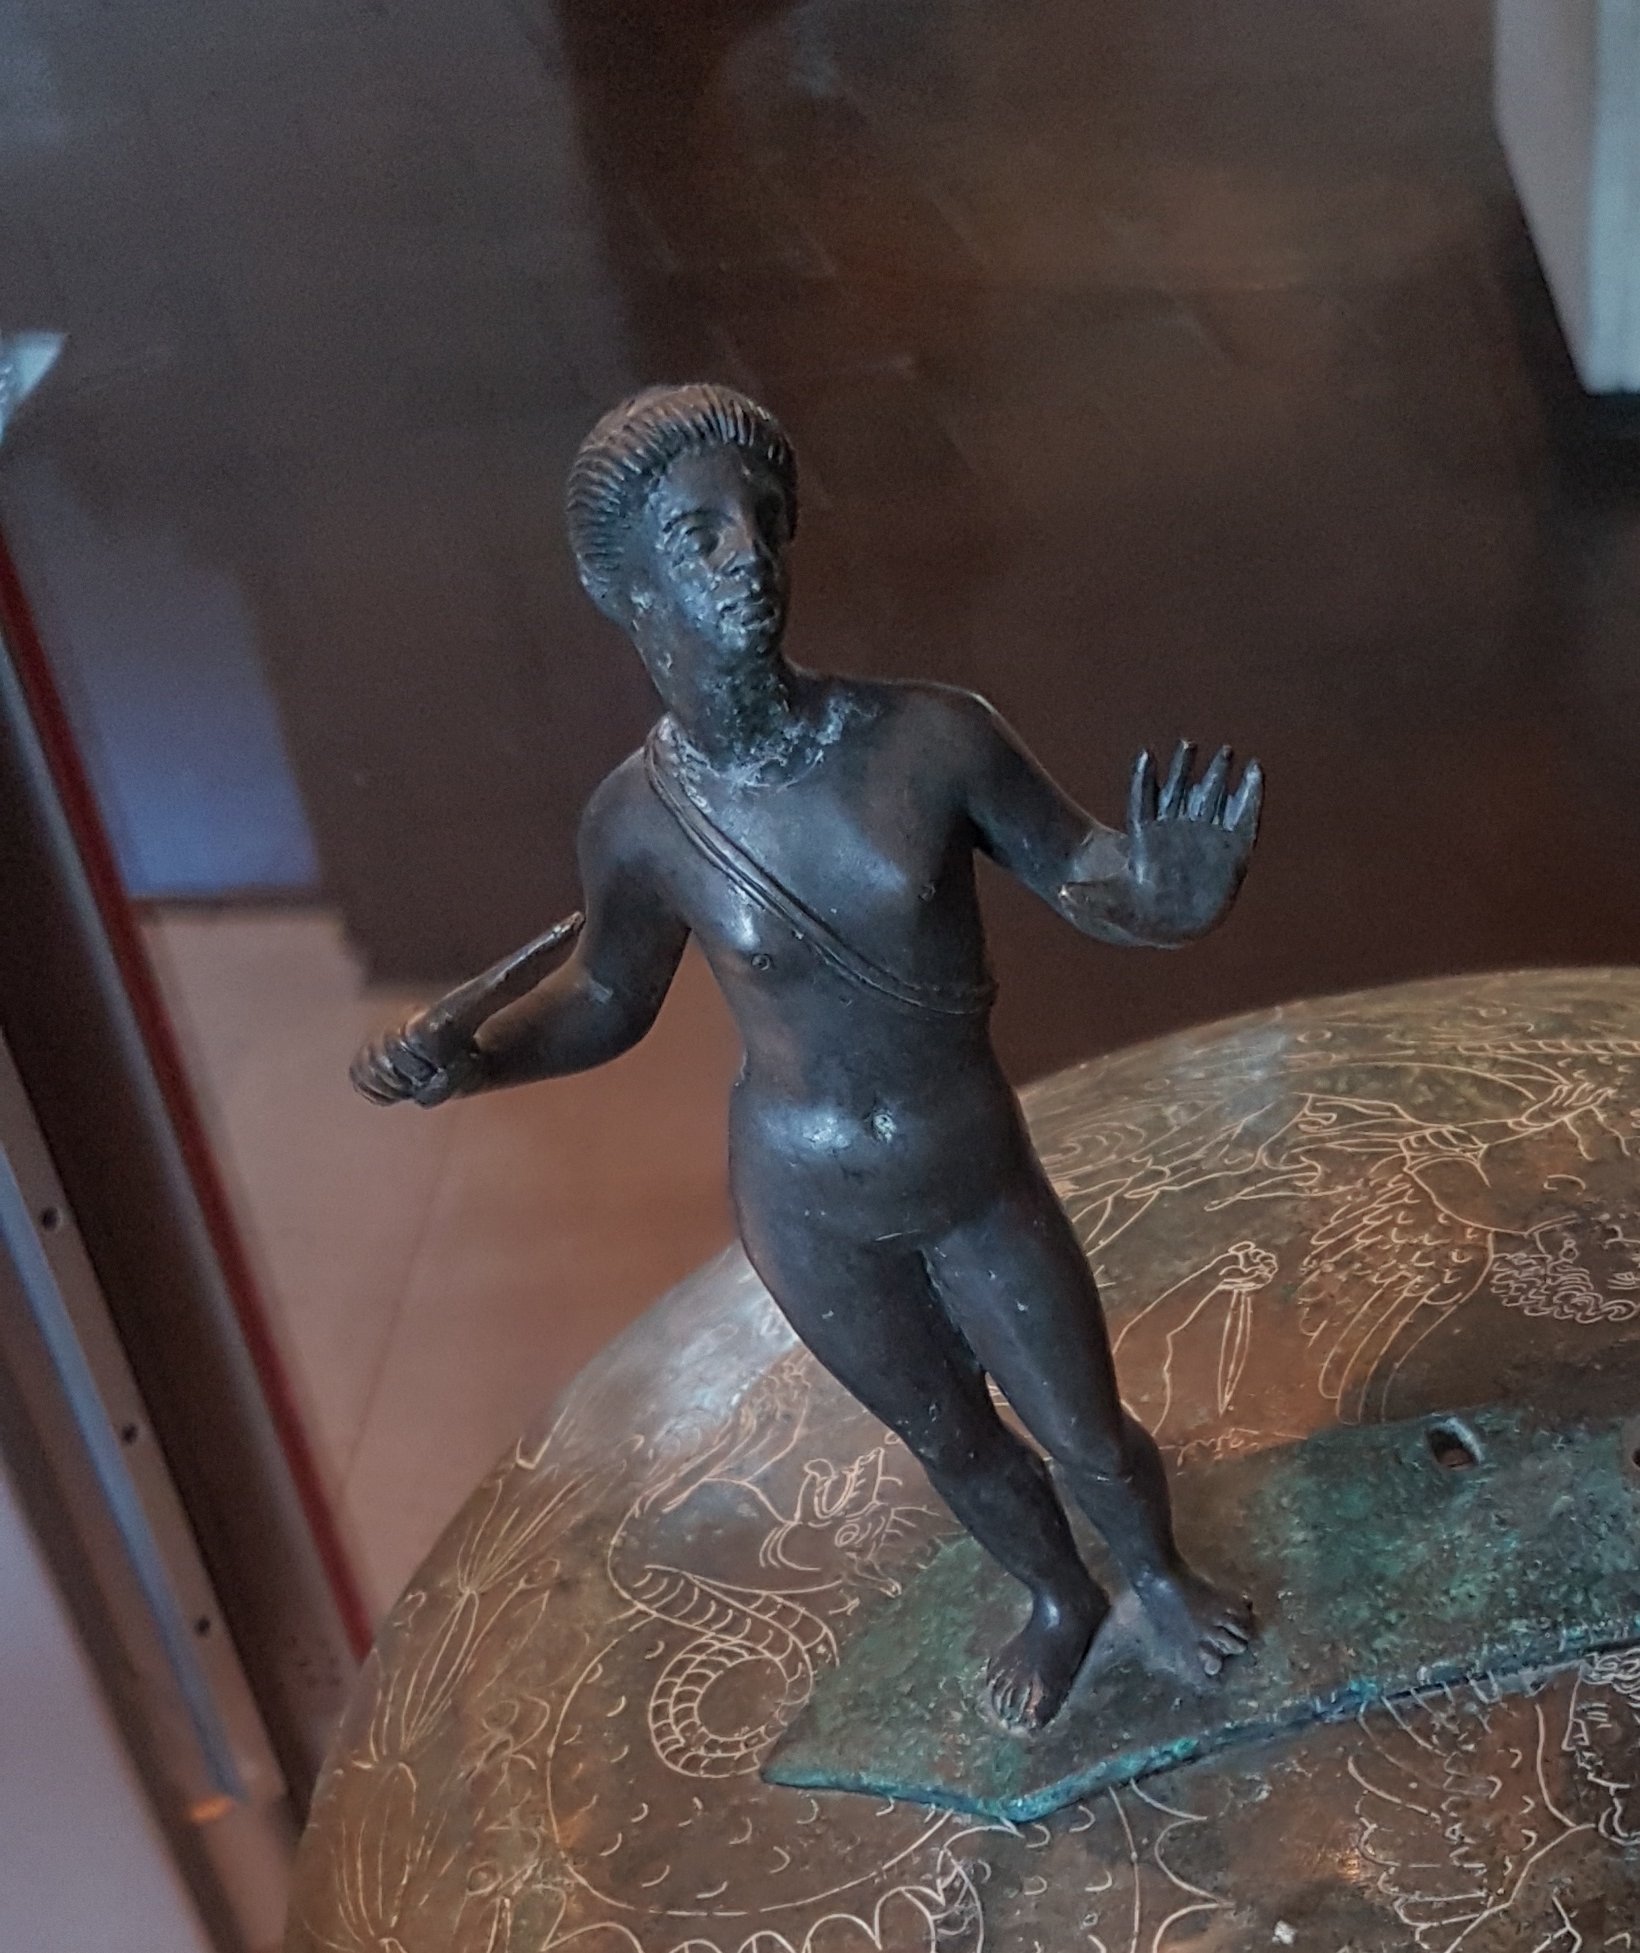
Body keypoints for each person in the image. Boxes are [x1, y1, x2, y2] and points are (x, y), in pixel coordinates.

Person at [354, 382, 1261, 1725]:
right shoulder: (638, 823)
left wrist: (1165, 899)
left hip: (968, 1169)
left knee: (1083, 1424)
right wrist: (481, 1062)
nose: (748, 557)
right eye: (699, 535)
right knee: (950, 1437)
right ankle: (1058, 1599)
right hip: (804, 1199)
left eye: (760, 519)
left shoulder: (933, 739)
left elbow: (1084, 867)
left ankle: (1161, 1579)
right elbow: (608, 997)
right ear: (624, 588)